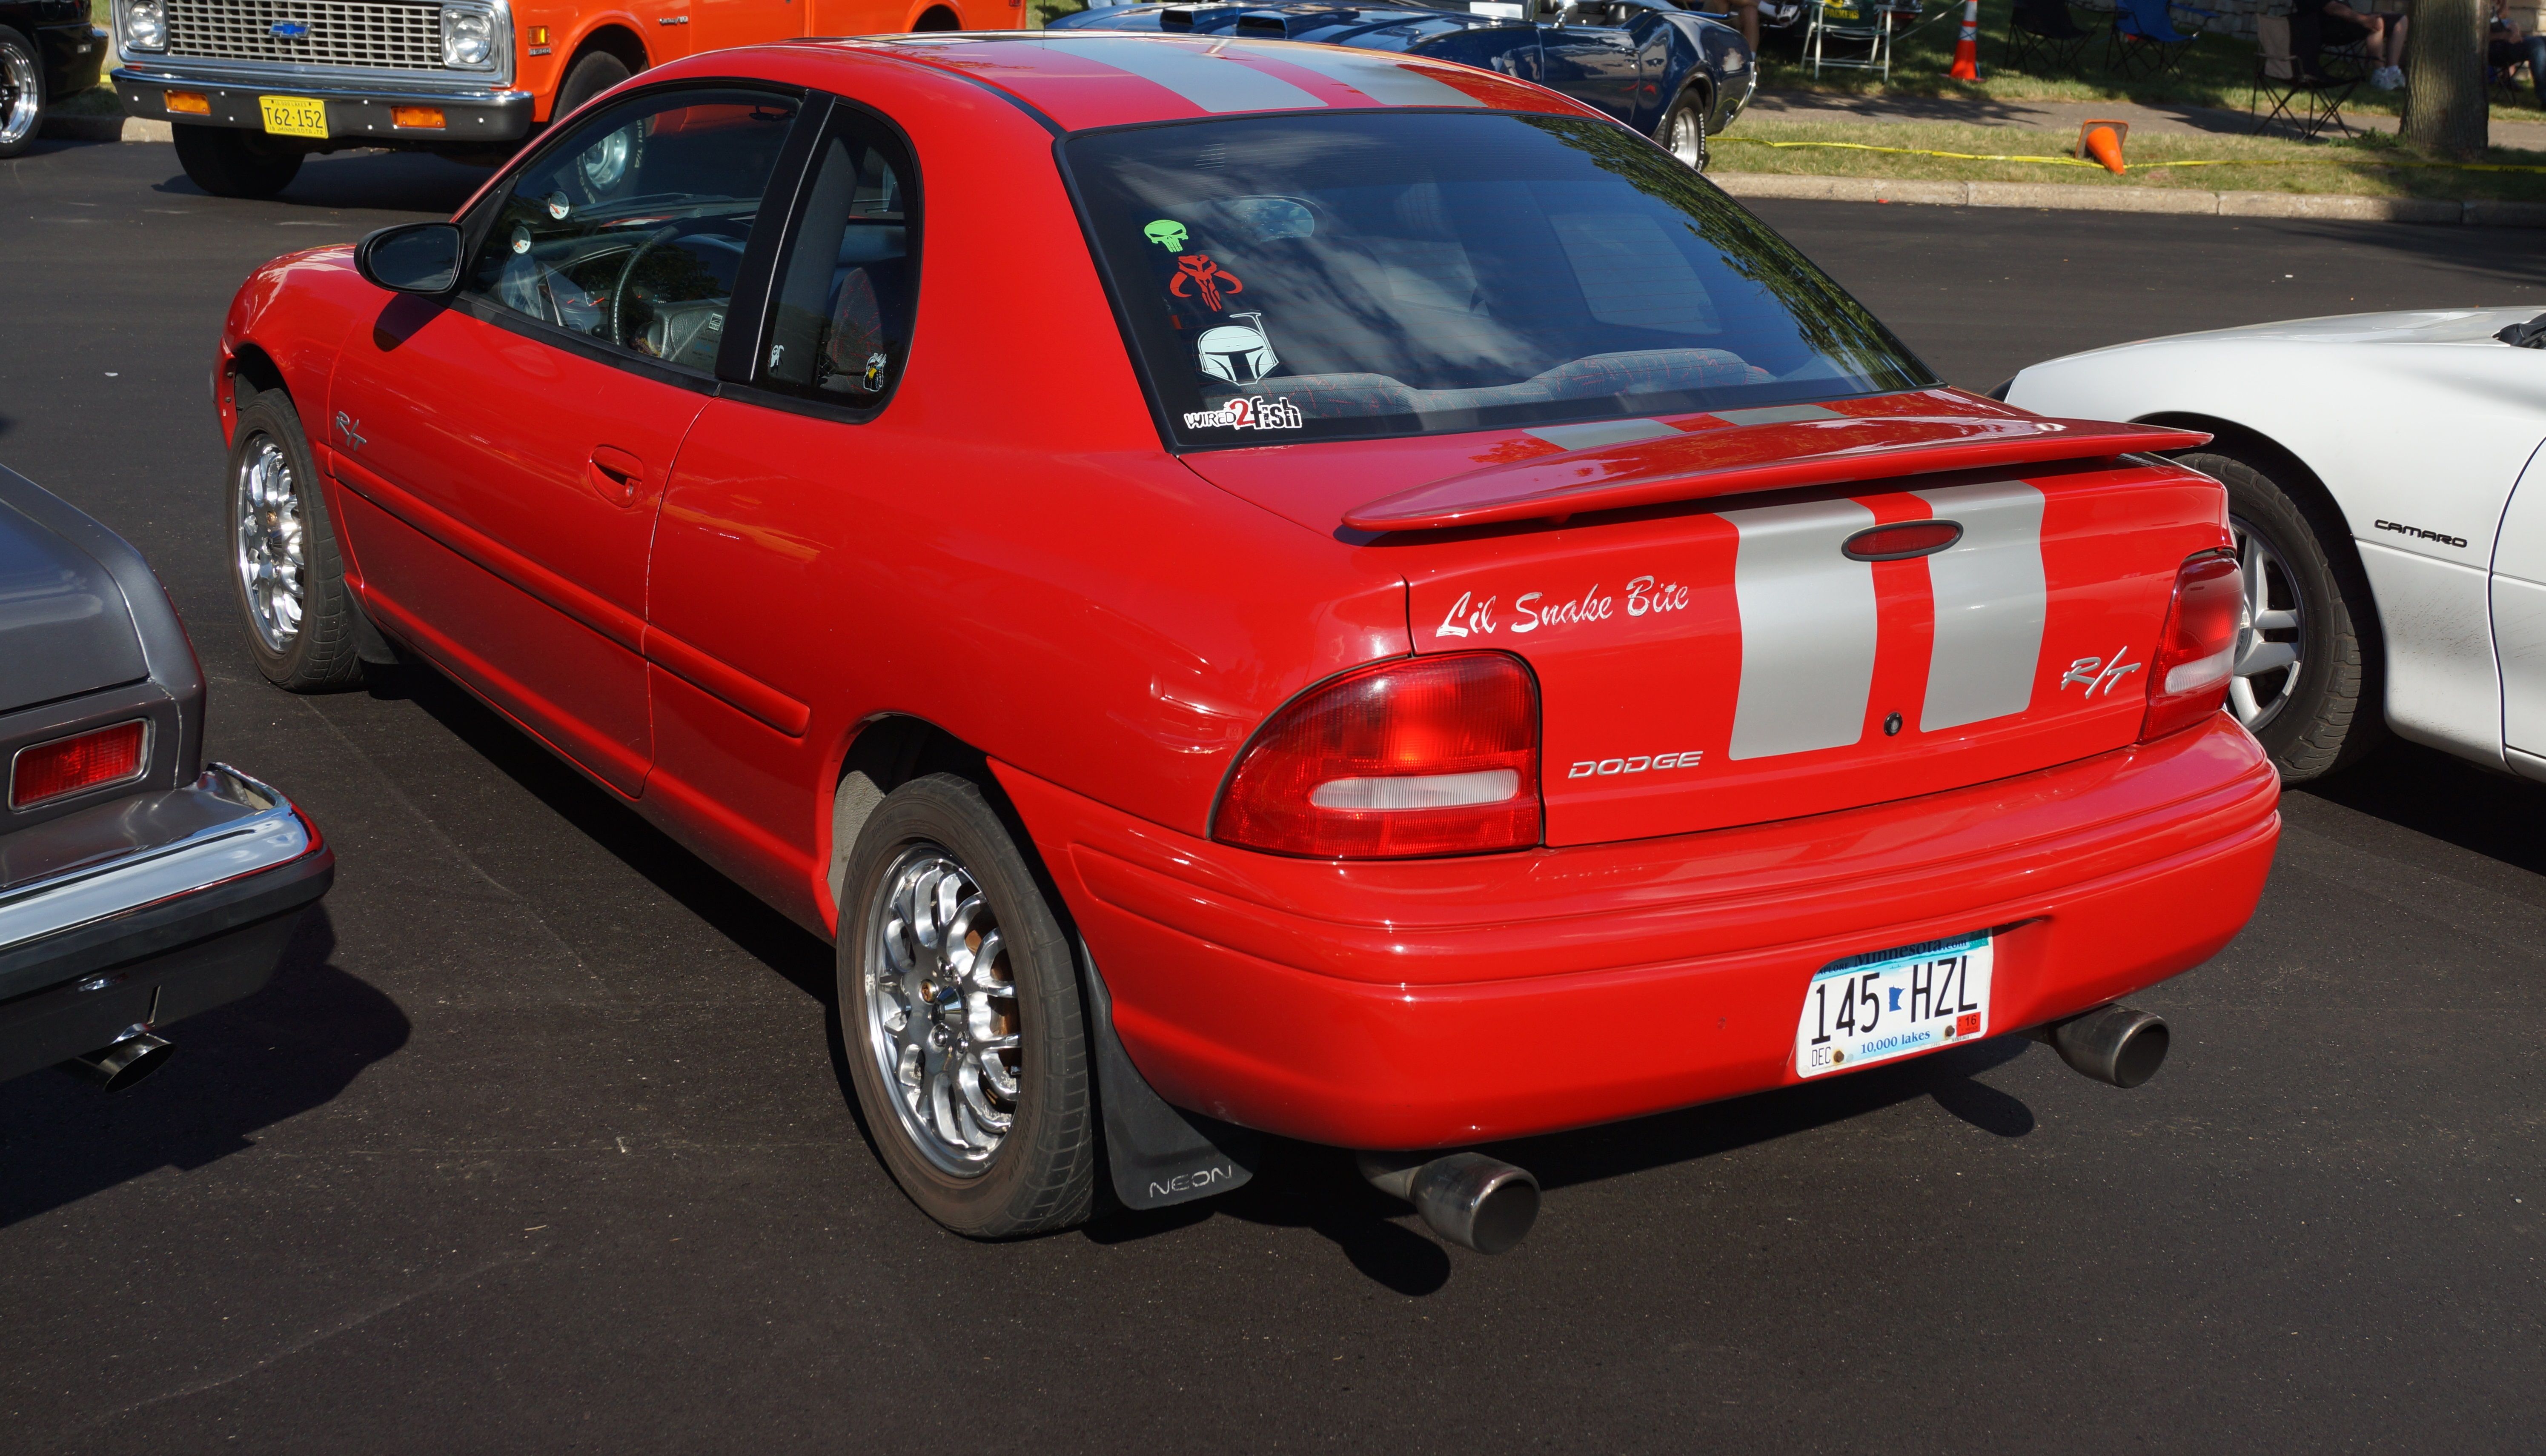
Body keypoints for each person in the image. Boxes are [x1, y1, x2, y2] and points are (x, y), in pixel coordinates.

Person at [2293, 0, 2409, 89]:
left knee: (2400, 20)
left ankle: (2393, 71)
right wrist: (2365, 20)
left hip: (2345, 23)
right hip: (2330, 29)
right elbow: (2333, 9)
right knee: (2377, 22)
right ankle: (2380, 74)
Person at [2492, 0, 2546, 107]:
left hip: (2508, 43)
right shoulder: (2476, 11)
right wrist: (2504, 36)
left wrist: (2514, 30)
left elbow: (2503, 16)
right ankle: (2544, 95)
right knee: (2536, 46)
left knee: (2543, 41)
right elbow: (2480, 38)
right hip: (2495, 49)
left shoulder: (2490, 8)